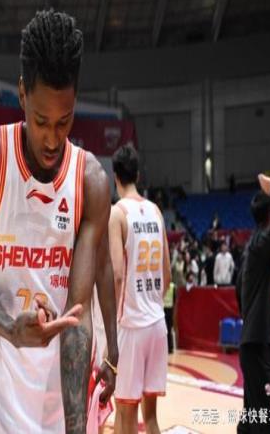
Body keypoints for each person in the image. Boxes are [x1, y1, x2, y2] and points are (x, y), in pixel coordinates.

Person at [0, 9, 117, 433]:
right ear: (22, 94)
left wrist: (75, 426)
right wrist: (11, 329)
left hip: (59, 394)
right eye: (41, 121)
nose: (52, 138)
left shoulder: (90, 180)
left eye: (64, 121)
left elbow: (77, 315)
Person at [108, 145, 171, 434]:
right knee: (152, 418)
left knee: (126, 415)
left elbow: (117, 275)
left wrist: (112, 326)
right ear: (138, 175)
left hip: (131, 327)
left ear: (115, 177)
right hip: (157, 324)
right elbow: (166, 275)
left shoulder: (117, 213)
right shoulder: (156, 212)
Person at [236, 174, 270, 434]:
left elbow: (238, 288)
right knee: (264, 414)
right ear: (268, 217)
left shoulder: (256, 249)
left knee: (261, 411)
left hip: (263, 335)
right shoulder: (259, 246)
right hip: (256, 341)